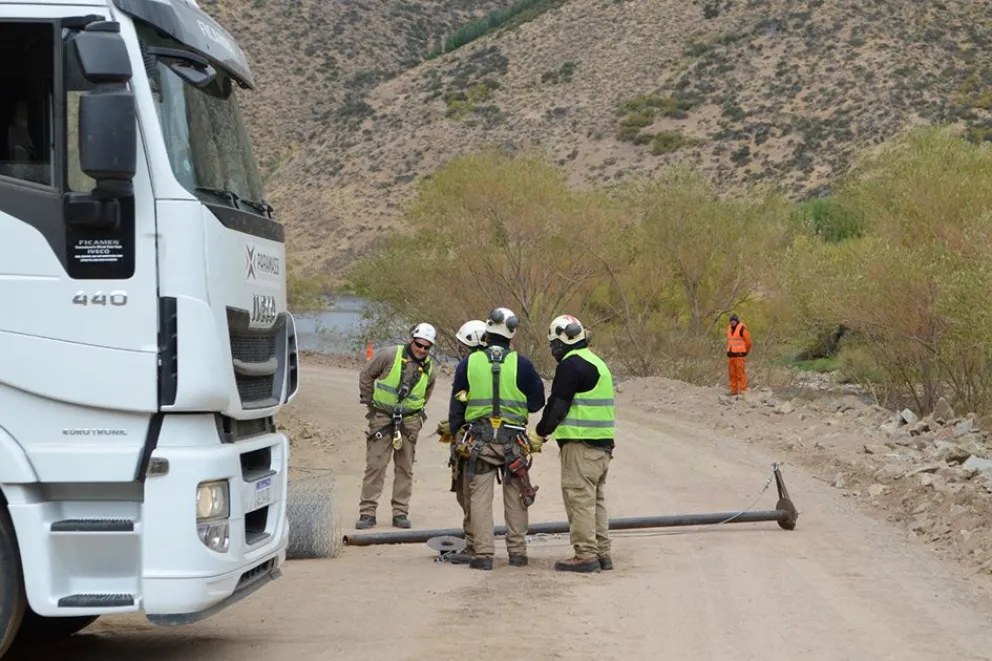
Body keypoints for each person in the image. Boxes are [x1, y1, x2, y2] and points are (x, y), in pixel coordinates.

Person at [448, 307, 546, 570]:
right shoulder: (522, 364)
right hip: (513, 442)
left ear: (487, 331)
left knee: (479, 497)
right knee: (515, 496)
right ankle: (517, 553)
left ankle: (483, 554)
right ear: (511, 334)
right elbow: (537, 403)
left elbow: (457, 407)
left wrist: (457, 441)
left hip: (478, 442)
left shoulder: (468, 364)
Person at [535, 314, 616, 573]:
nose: (553, 350)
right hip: (602, 448)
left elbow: (558, 405)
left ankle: (585, 555)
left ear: (561, 342)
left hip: (581, 446)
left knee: (579, 499)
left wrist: (540, 433)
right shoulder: (596, 362)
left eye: (553, 344)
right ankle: (602, 552)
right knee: (595, 501)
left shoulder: (571, 365)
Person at [355, 322, 437, 530]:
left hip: (409, 421)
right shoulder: (390, 355)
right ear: (412, 340)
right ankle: (367, 513)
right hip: (382, 418)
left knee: (405, 468)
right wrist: (369, 402)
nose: (422, 350)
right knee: (375, 466)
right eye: (419, 345)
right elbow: (366, 375)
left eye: (427, 347)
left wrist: (414, 415)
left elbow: (426, 394)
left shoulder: (429, 369)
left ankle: (400, 513)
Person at [443, 319, 488, 565]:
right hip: (491, 436)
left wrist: (453, 430)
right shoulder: (497, 364)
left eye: (463, 344)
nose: (460, 348)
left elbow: (458, 404)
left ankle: (475, 543)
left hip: (469, 437)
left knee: (468, 492)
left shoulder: (467, 366)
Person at [726, 313, 752, 396]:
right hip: (731, 356)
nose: (732, 323)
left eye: (733, 321)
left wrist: (745, 351)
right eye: (731, 321)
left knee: (740, 374)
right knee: (732, 374)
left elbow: (748, 342)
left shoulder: (742, 328)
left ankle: (743, 391)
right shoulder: (729, 328)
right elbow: (730, 341)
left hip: (739, 355)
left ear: (737, 321)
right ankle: (733, 391)